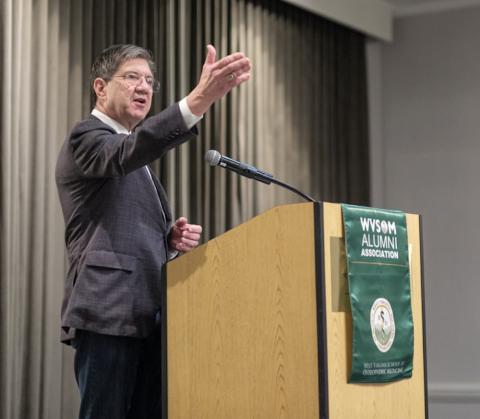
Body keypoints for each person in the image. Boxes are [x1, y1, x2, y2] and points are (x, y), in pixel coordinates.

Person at [55, 43, 251, 419]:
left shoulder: (136, 158)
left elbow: (123, 219)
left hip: (152, 316)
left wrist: (170, 242)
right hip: (108, 310)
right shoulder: (87, 138)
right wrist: (197, 101)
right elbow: (129, 151)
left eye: (149, 80)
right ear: (100, 87)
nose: (143, 87)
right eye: (131, 77)